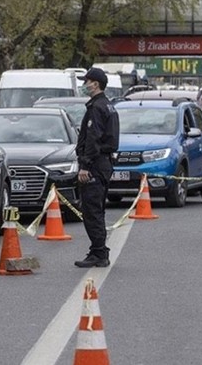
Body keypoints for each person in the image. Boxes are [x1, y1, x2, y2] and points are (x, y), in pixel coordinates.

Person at [74, 67, 120, 268]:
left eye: (87, 82)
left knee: (92, 209)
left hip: (95, 164)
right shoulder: (108, 106)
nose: (85, 85)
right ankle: (98, 250)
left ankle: (99, 252)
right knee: (96, 208)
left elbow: (93, 139)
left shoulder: (97, 108)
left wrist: (85, 165)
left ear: (96, 84)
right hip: (104, 163)